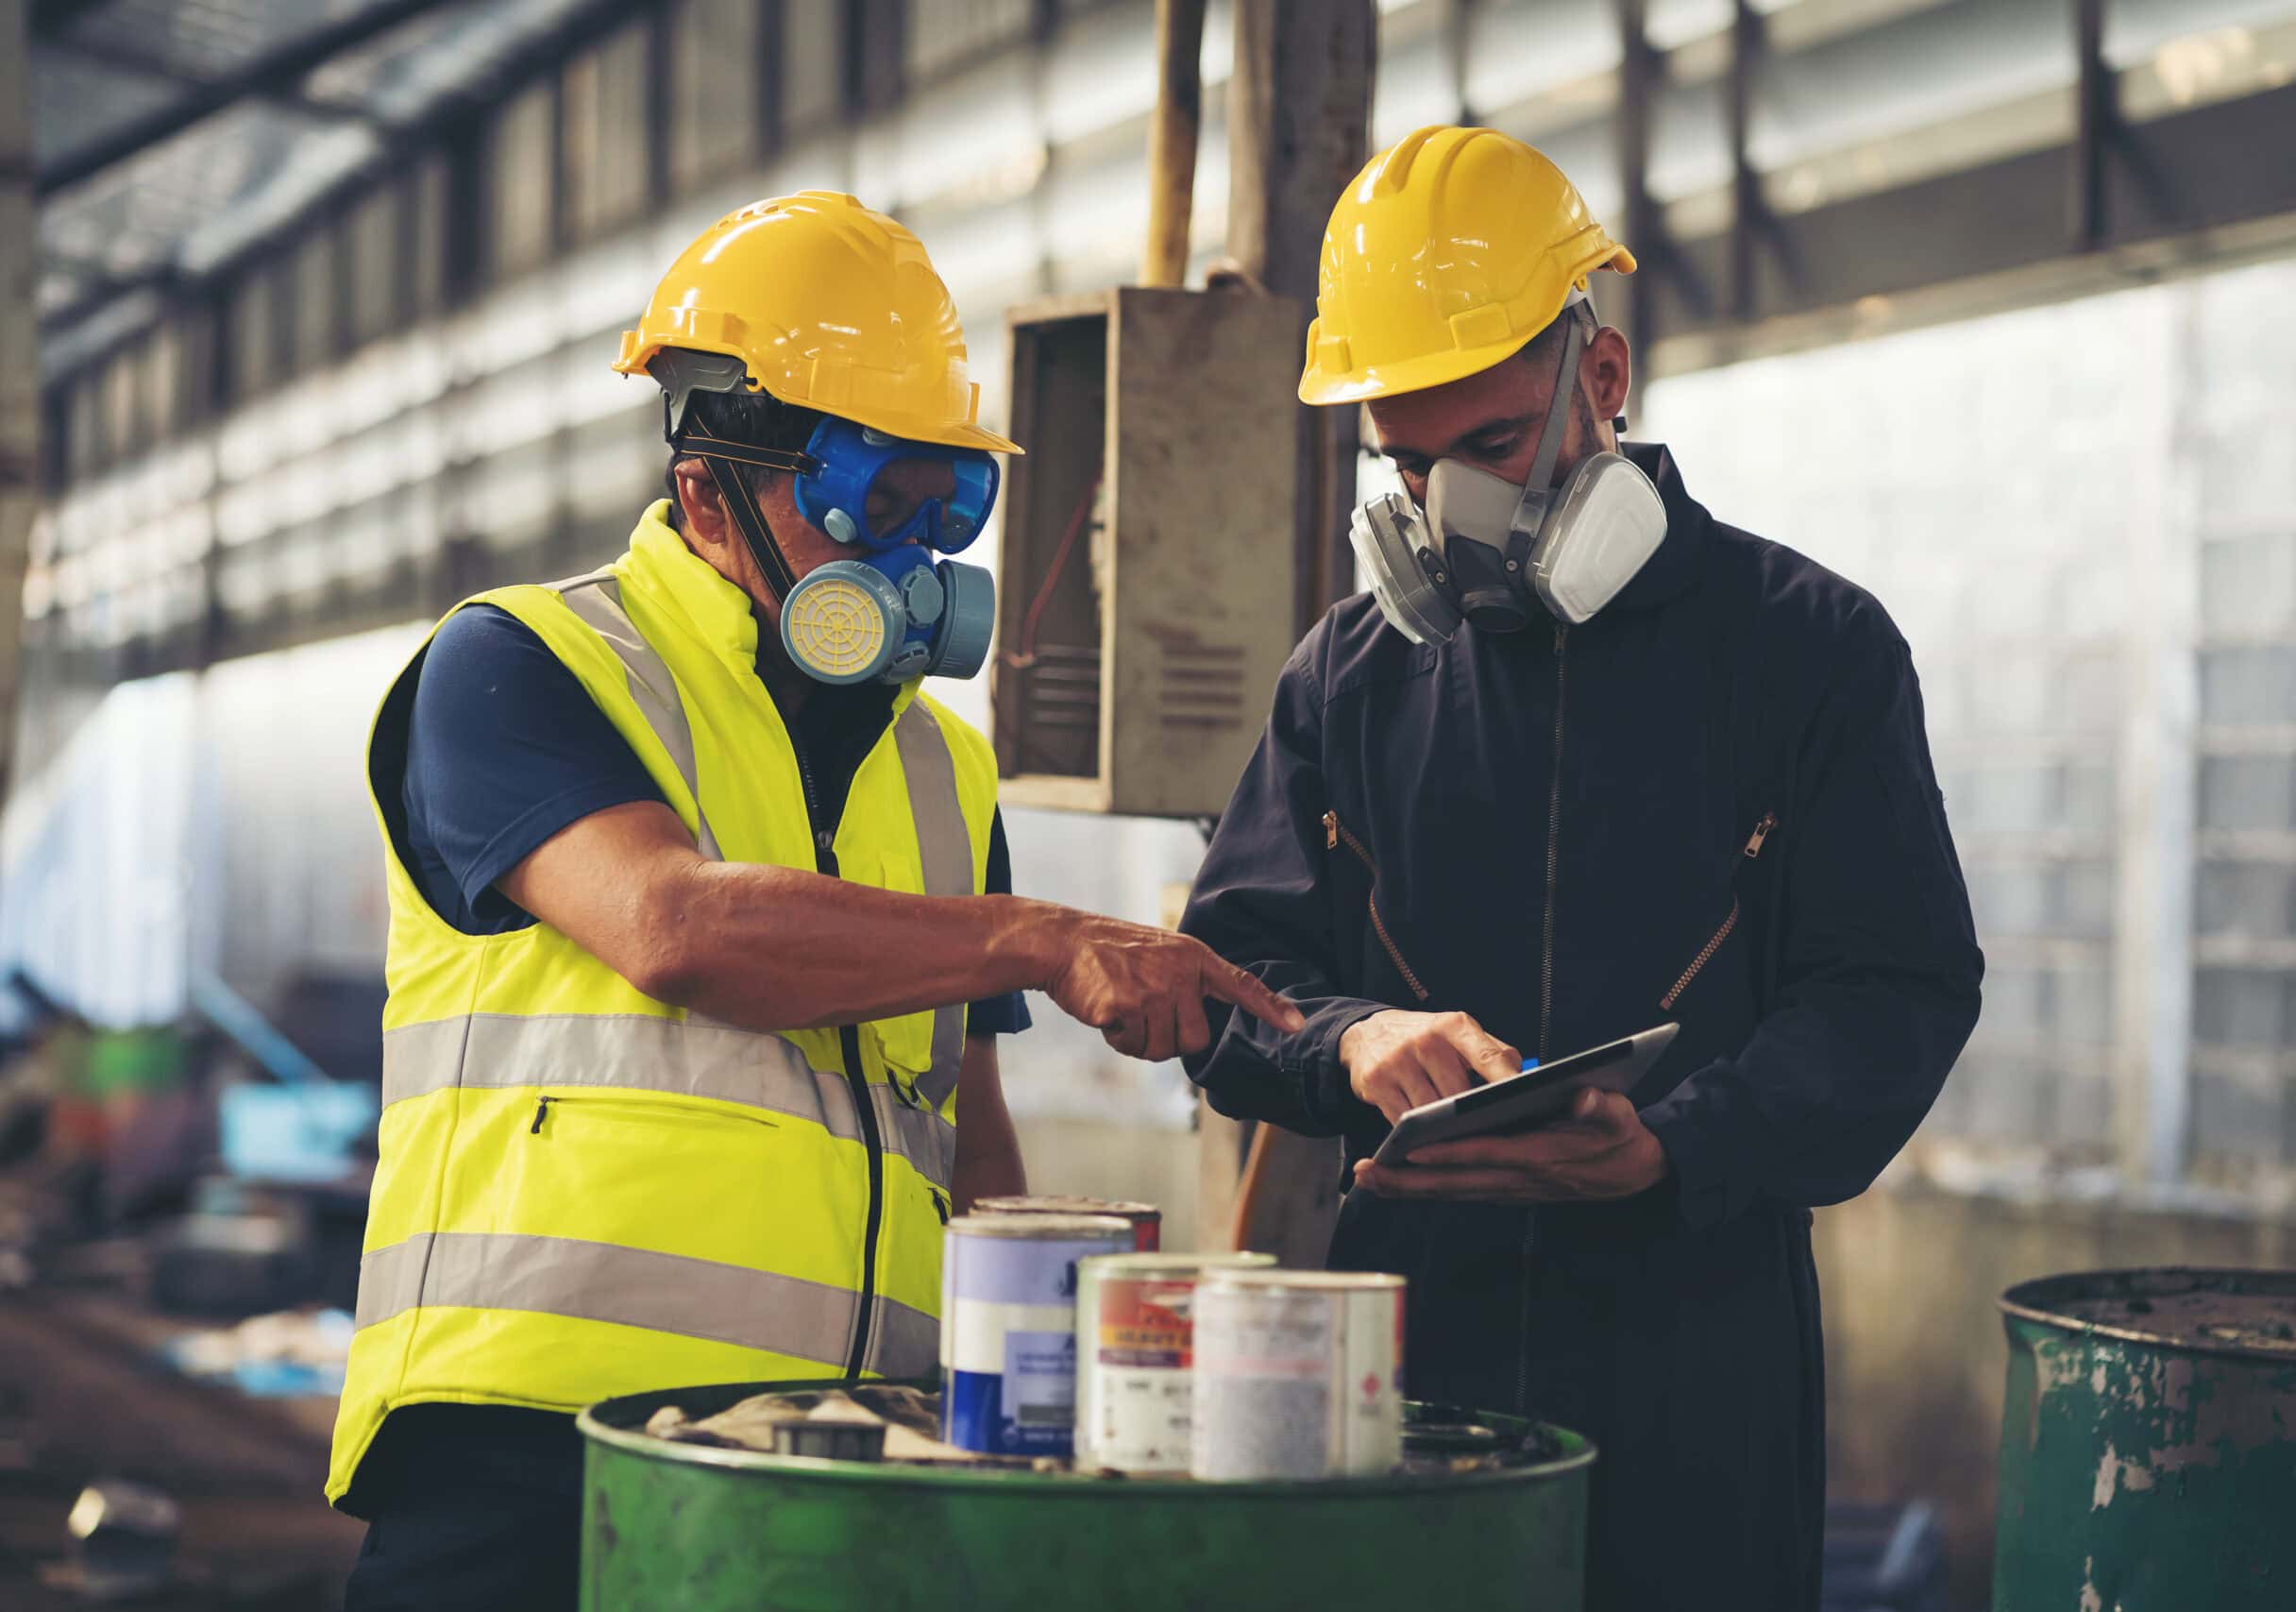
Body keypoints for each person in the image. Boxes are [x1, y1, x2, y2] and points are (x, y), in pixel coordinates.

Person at [333, 190, 1302, 1610]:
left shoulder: (941, 766)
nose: (903, 556)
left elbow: (964, 1129)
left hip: (840, 1467)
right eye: (862, 501)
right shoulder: (523, 666)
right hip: (539, 1462)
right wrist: (1036, 938)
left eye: (940, 505)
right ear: (706, 492)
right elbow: (673, 929)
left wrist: (1025, 1408)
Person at [1180, 127, 1982, 1612]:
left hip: (1699, 1358)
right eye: (1403, 463)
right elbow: (1226, 982)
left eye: (1486, 447)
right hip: (1406, 1365)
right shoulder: (1346, 681)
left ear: (1600, 381)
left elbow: (1897, 991)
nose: (1441, 514)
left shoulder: (1809, 653)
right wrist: (1352, 1040)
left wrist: (1688, 1146)